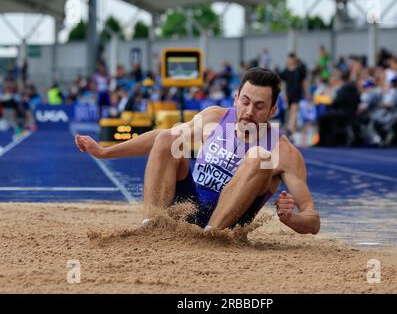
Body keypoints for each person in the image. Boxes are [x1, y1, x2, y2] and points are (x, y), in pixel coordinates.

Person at [75, 67, 320, 234]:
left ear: (272, 110)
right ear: (236, 98)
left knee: (258, 157)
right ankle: (151, 226)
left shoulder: (283, 151)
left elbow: (313, 219)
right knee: (167, 137)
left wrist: (291, 219)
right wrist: (105, 152)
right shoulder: (215, 118)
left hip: (228, 224)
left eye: (259, 106)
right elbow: (160, 141)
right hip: (189, 206)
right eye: (245, 102)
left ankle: (210, 235)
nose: (248, 111)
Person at [279, 53, 309, 135]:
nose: (290, 61)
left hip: (297, 93)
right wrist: (284, 94)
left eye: (292, 59)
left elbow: (304, 82)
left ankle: (290, 129)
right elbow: (283, 83)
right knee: (291, 111)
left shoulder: (300, 70)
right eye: (289, 59)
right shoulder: (285, 71)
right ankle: (292, 129)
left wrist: (307, 92)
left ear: (295, 60)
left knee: (294, 109)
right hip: (289, 94)